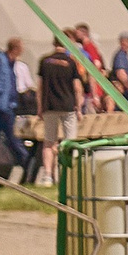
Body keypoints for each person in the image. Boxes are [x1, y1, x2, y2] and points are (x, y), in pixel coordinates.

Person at [32, 37, 85, 185]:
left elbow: (40, 87)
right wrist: (79, 108)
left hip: (50, 106)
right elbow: (77, 87)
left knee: (49, 142)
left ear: (54, 43)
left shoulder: (45, 61)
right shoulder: (71, 62)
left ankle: (48, 175)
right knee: (70, 141)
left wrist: (39, 108)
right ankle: (69, 175)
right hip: (68, 106)